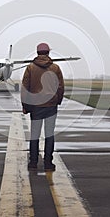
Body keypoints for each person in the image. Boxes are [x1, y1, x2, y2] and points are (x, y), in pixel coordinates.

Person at [21, 43, 64, 171]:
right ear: (48, 53)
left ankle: (33, 162)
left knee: (34, 135)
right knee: (49, 135)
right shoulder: (55, 68)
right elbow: (60, 87)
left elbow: (25, 89)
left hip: (36, 106)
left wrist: (25, 106)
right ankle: (48, 163)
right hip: (51, 105)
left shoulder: (30, 68)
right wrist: (58, 101)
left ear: (37, 52)